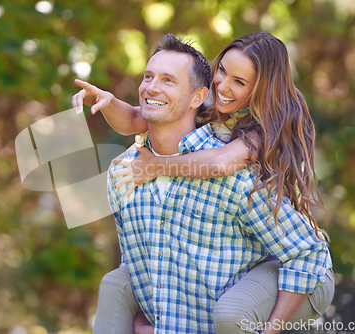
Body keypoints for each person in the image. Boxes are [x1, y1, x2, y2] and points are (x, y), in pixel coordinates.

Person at [74, 33, 334, 333]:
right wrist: (106, 102)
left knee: (232, 313)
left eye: (239, 82)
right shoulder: (126, 171)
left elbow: (219, 163)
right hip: (231, 285)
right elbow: (138, 115)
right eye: (221, 71)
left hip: (293, 271)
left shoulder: (253, 141)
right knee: (116, 282)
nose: (223, 85)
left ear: (258, 90)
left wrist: (156, 166)